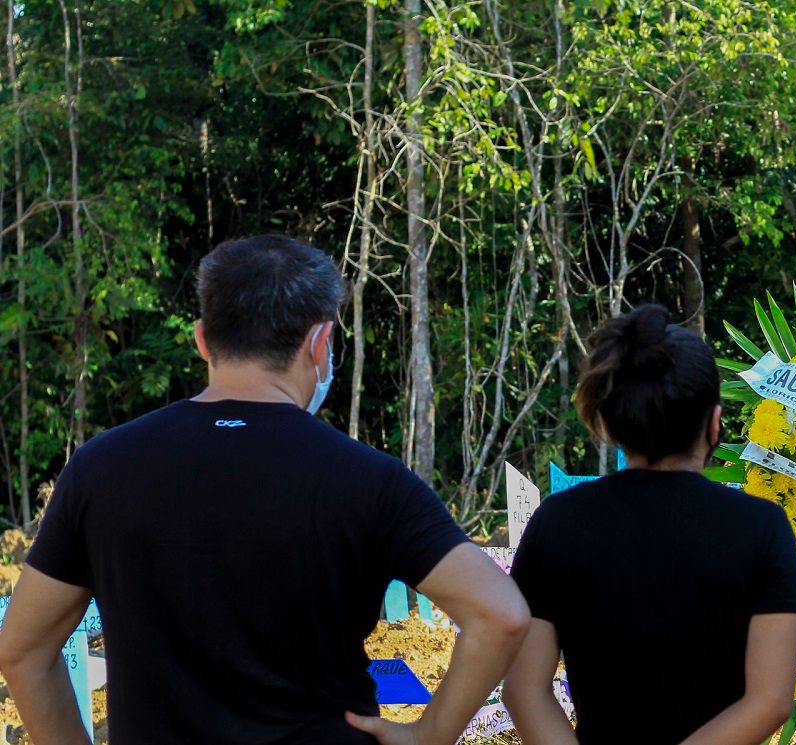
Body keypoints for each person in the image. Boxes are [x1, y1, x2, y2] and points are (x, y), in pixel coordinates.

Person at [0, 235, 530, 744]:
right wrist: (427, 735)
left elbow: (22, 649)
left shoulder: (100, 469)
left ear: (203, 338)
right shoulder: (370, 480)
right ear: (320, 342)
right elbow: (499, 613)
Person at [502, 304, 796, 745]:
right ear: (715, 422)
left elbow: (524, 690)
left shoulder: (558, 522)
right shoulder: (762, 527)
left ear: (607, 422)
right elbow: (771, 700)